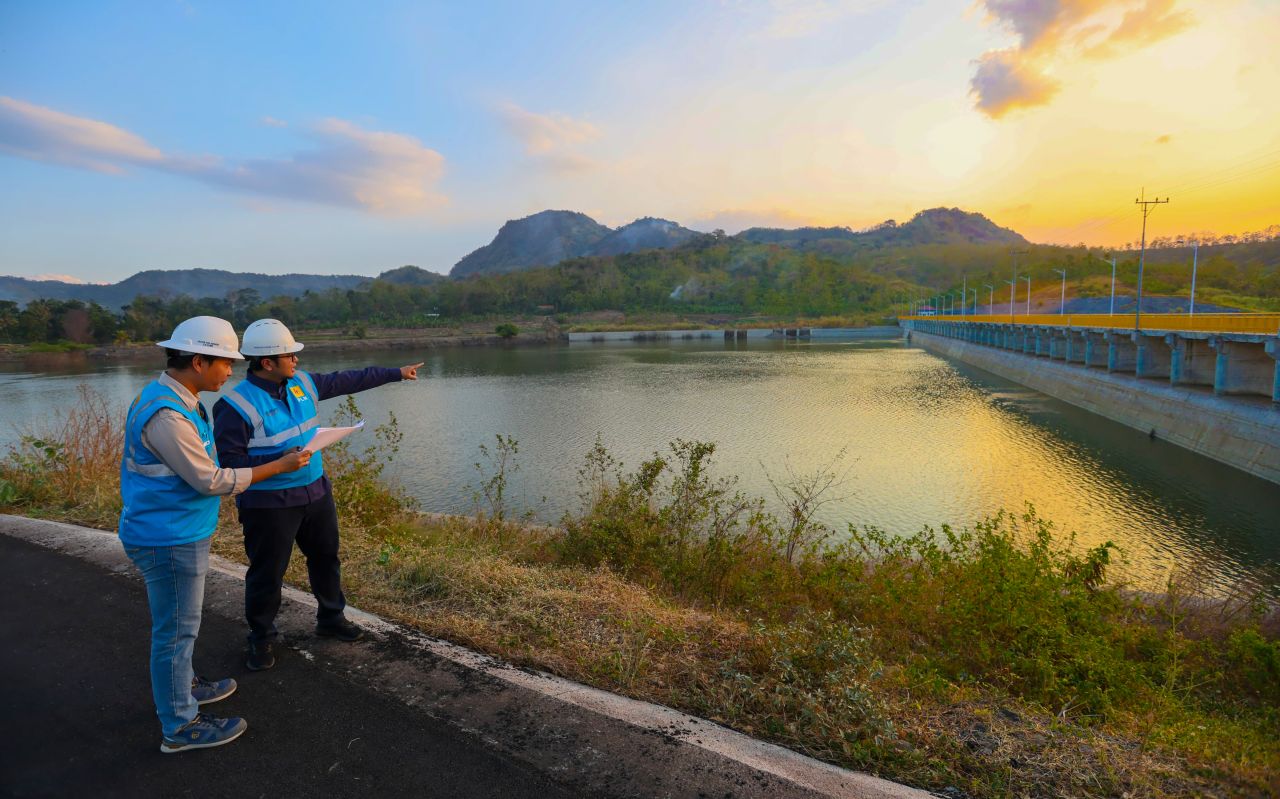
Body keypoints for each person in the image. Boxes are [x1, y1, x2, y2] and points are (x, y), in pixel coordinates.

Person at [120, 316, 312, 753]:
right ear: (199, 362)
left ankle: (183, 685)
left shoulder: (177, 399)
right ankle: (179, 725)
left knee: (179, 626)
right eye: (225, 362)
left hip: (177, 529)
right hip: (167, 537)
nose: (230, 371)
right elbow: (210, 480)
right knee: (176, 632)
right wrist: (277, 467)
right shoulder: (168, 416)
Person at [211, 319, 423, 671]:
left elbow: (349, 379)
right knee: (268, 573)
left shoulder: (303, 383)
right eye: (290, 355)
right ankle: (261, 638)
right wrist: (279, 462)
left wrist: (396, 373)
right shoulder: (234, 406)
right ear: (267, 363)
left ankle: (331, 618)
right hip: (269, 505)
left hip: (316, 493)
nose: (296, 360)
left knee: (326, 558)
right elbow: (230, 464)